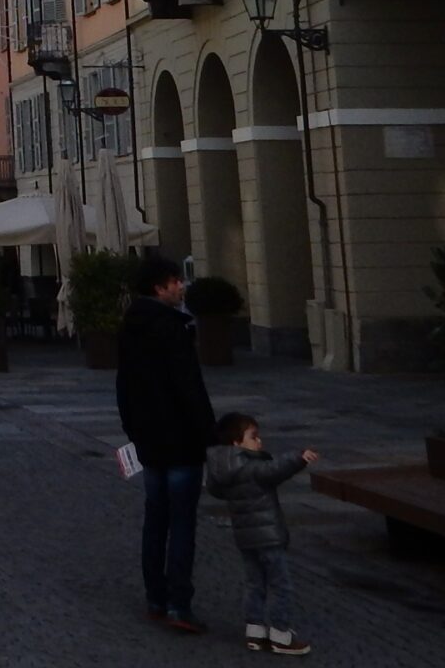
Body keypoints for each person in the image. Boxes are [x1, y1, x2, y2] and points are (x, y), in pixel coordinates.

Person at [117, 253, 218, 635]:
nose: (181, 286)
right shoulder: (173, 329)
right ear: (159, 287)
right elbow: (189, 387)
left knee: (155, 520)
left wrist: (133, 429)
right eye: (175, 281)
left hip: (149, 440)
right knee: (182, 524)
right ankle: (179, 603)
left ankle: (156, 599)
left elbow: (123, 385)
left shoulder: (131, 327)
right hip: (180, 441)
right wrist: (209, 434)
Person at [207, 413, 318, 655]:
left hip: (245, 538)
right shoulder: (251, 467)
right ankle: (280, 634)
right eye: (254, 437)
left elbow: (214, 489)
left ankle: (255, 630)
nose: (259, 442)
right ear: (237, 443)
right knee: (280, 584)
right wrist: (299, 458)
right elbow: (275, 469)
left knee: (254, 583)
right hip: (268, 536)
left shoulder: (222, 467)